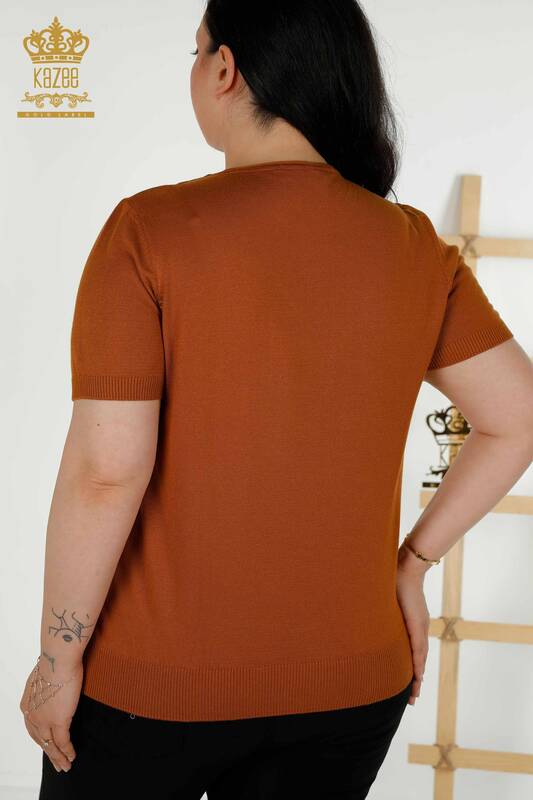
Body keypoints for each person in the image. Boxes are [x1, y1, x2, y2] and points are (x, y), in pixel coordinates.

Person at [23, 1, 533, 798]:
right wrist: (411, 564)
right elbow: (517, 416)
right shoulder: (411, 247)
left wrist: (58, 659)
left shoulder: (149, 231)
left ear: (225, 68)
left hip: (153, 692)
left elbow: (106, 471)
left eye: (196, 53)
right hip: (352, 687)